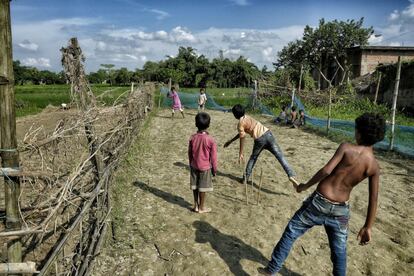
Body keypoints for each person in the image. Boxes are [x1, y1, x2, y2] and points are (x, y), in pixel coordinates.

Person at [258, 113, 386, 276]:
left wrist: (304, 186)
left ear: (359, 132)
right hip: (341, 211)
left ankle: (271, 270)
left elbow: (326, 170)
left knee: (291, 231)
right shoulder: (374, 166)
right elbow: (373, 199)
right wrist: (368, 227)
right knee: (339, 252)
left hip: (319, 202)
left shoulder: (346, 148)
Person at [224, 104, 298, 186]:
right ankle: (291, 175)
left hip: (260, 140)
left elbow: (242, 136)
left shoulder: (240, 123)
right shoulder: (247, 117)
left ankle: (245, 179)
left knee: (253, 158)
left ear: (235, 115)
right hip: (269, 134)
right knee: (280, 156)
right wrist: (231, 141)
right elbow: (241, 133)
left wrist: (240, 153)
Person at [188, 112, 217, 213]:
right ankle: (201, 207)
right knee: (203, 188)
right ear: (208, 125)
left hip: (194, 166)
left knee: (195, 186)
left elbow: (190, 153)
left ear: (196, 124)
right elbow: (213, 157)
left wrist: (190, 163)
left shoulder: (192, 138)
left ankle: (196, 205)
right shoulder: (210, 140)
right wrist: (214, 169)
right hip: (205, 168)